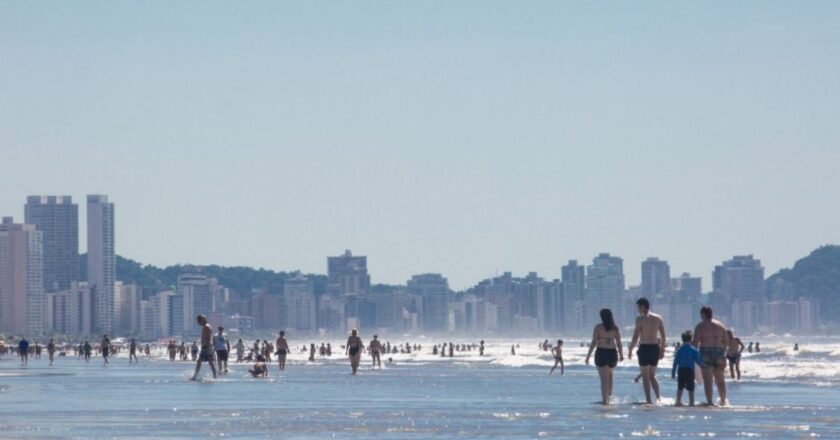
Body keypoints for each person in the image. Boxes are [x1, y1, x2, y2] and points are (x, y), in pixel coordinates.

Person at [628, 298, 666, 405]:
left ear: (643, 306)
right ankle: (659, 398)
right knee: (652, 376)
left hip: (644, 348)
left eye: (638, 307)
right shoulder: (658, 318)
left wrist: (631, 349)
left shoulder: (640, 319)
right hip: (654, 348)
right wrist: (662, 349)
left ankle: (649, 400)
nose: (638, 309)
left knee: (645, 376)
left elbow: (635, 336)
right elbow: (663, 336)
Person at [585, 308, 624, 405]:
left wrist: (588, 356)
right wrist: (621, 354)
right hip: (612, 353)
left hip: (602, 352)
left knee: (603, 379)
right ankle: (610, 397)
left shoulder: (598, 327)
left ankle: (605, 400)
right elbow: (619, 343)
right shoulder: (615, 328)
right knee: (610, 376)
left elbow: (594, 342)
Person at [693, 306, 730, 406]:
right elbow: (726, 341)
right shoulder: (720, 325)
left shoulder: (700, 326)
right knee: (720, 380)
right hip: (719, 352)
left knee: (708, 380)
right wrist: (723, 353)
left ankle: (710, 402)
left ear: (703, 314)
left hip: (706, 352)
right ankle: (723, 401)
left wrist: (694, 356)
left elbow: (695, 343)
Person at [671, 331, 703, 407]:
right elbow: (698, 360)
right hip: (689, 370)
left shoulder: (679, 350)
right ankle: (691, 402)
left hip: (681, 369)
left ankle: (678, 401)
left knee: (680, 386)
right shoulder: (694, 350)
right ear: (691, 339)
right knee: (691, 386)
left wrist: (673, 372)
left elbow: (675, 362)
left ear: (682, 340)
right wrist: (704, 366)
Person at [191, 315, 218, 381]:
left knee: (201, 361)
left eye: (198, 321)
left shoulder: (206, 327)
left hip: (207, 346)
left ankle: (195, 376)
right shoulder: (206, 326)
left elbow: (208, 337)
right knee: (209, 362)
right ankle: (214, 376)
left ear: (202, 320)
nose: (198, 323)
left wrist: (205, 347)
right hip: (207, 346)